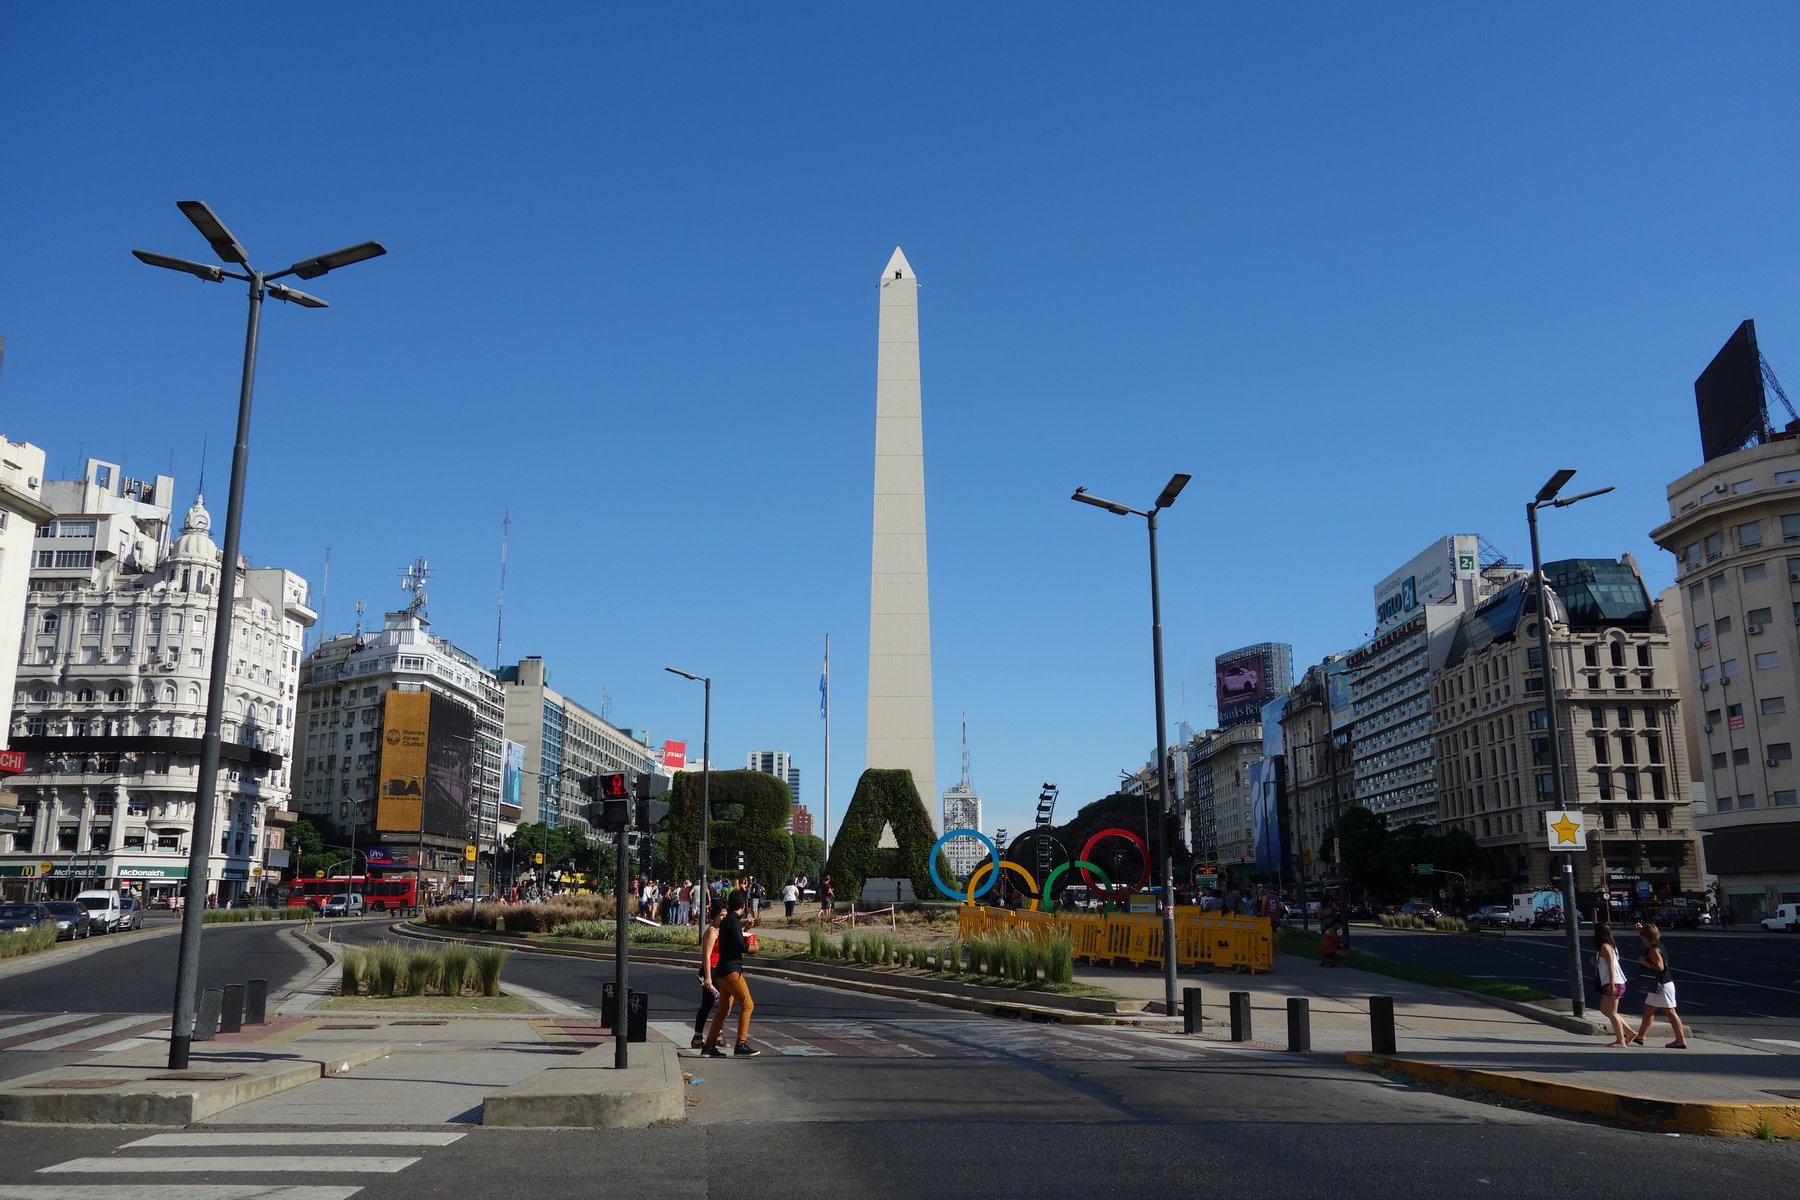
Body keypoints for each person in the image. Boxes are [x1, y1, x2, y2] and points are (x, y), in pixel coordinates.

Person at [701, 890, 760, 1057]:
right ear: (743, 905)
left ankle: (709, 1046)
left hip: (721, 971)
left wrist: (746, 928)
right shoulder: (733, 922)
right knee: (747, 1004)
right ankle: (741, 1044)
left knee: (723, 1009)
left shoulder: (727, 922)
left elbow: (735, 938)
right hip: (731, 970)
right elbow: (742, 947)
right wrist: (755, 948)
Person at [1630, 922, 1688, 1048]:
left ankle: (1680, 1040)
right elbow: (1648, 932)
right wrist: (1640, 929)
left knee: (1670, 1012)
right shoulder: (1657, 944)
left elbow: (1660, 967)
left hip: (1662, 985)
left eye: (1642, 935)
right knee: (1648, 1009)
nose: (1640, 937)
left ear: (1647, 937)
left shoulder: (1653, 949)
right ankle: (1641, 1036)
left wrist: (1644, 962)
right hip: (1658, 985)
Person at [692, 904, 727, 1049]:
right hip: (710, 970)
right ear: (714, 916)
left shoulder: (722, 930)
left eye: (726, 914)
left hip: (720, 970)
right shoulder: (711, 932)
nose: (724, 917)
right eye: (721, 915)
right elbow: (706, 955)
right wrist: (708, 977)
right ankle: (697, 1037)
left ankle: (718, 1034)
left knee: (724, 1004)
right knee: (707, 1005)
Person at [1592, 924, 1631, 1046]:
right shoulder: (1609, 946)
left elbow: (1611, 966)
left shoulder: (1605, 946)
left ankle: (1621, 1040)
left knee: (1612, 1012)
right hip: (1610, 982)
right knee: (1605, 1010)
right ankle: (1629, 1032)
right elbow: (1606, 964)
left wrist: (1612, 984)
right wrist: (1595, 962)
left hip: (1614, 982)